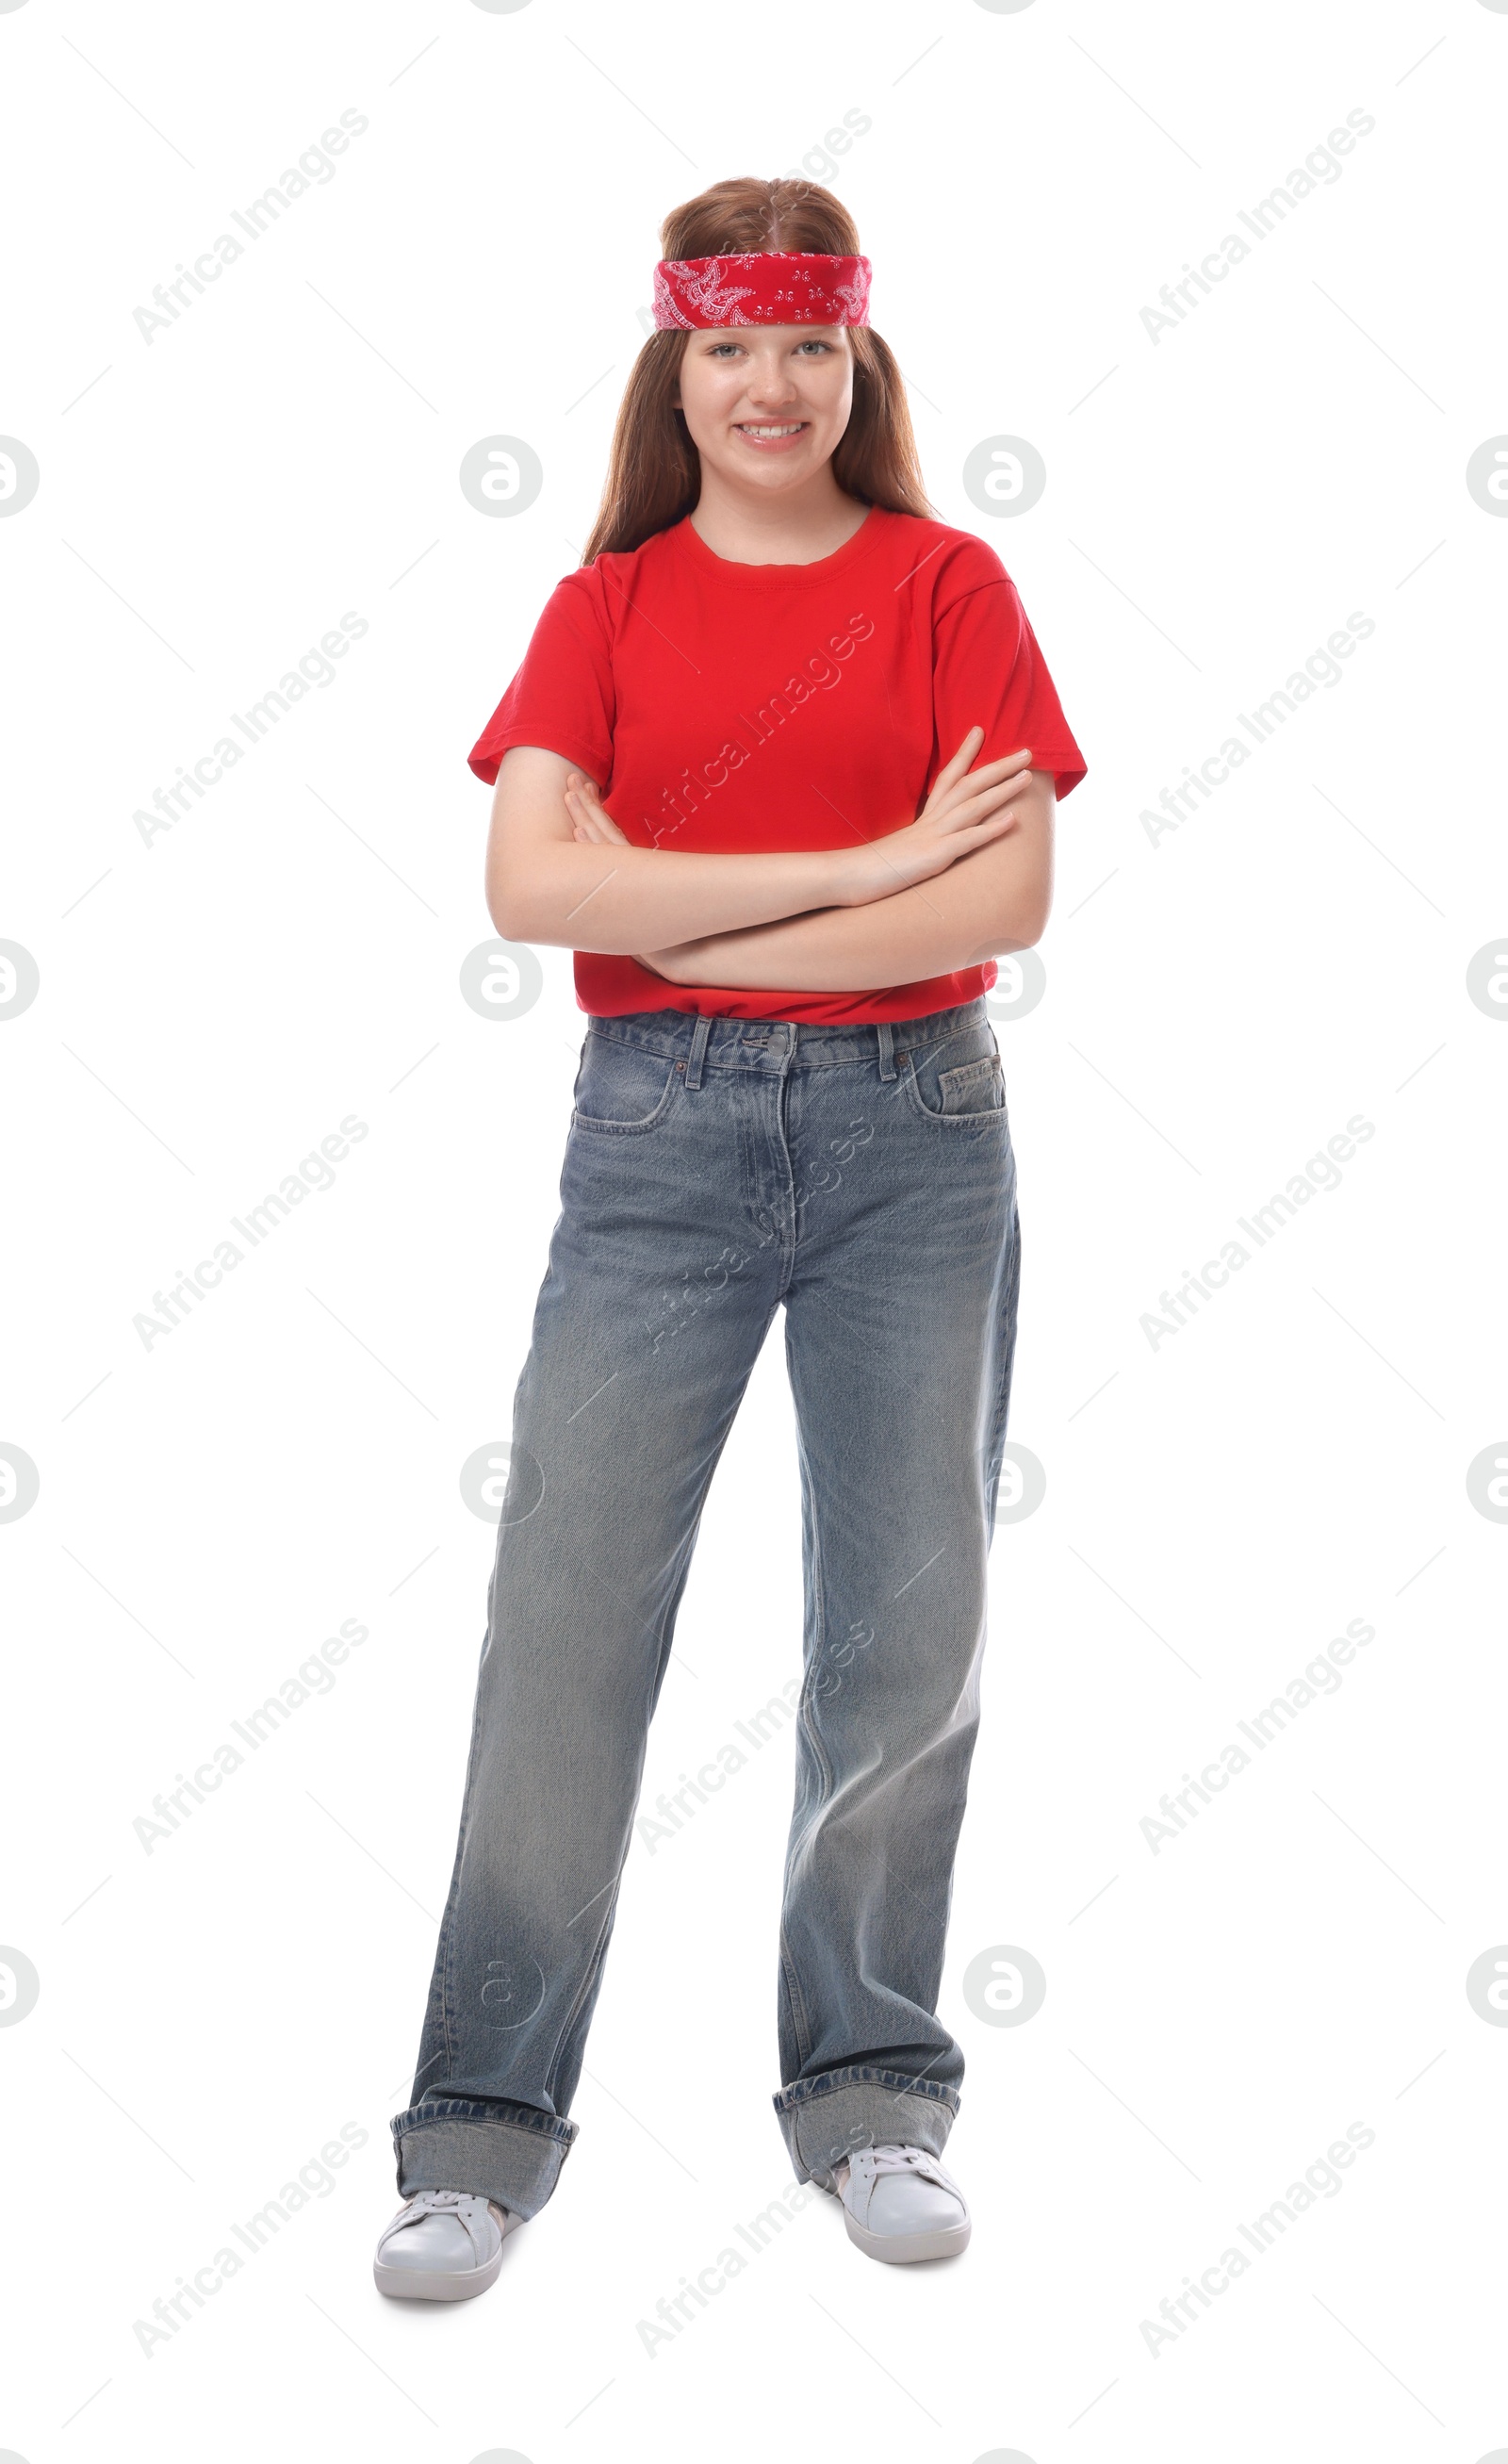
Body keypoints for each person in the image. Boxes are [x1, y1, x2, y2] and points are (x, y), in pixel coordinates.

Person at [372, 175, 1087, 2302]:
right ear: (669, 369)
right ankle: (477, 2130)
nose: (767, 386)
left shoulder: (950, 581)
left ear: (852, 362)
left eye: (804, 346)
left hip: (916, 1134)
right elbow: (530, 897)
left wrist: (675, 882)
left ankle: (870, 2091)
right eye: (725, 348)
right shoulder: (601, 607)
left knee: (903, 1627)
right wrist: (864, 848)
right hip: (655, 1144)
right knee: (565, 1626)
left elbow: (999, 905)